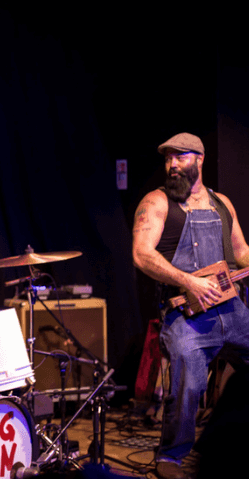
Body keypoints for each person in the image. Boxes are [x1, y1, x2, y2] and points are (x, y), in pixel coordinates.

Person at [132, 132, 249, 479]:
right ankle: (172, 456)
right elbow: (141, 253)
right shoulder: (157, 202)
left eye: (179, 157)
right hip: (188, 317)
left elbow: (240, 250)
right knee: (187, 378)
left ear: (198, 159)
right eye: (167, 159)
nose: (171, 165)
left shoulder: (222, 203)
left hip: (232, 311)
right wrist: (188, 281)